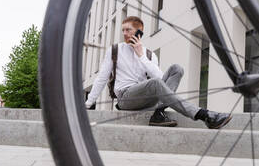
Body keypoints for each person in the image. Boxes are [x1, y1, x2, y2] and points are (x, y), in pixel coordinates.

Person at [85, 16, 232, 129]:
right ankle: (204, 115)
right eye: (123, 30)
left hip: (147, 98)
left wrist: (141, 56)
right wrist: (89, 102)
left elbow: (161, 80)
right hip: (125, 98)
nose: (124, 33)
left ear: (139, 31)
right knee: (155, 83)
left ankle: (158, 114)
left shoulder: (149, 55)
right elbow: (102, 77)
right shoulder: (115, 50)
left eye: (128, 30)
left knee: (177, 69)